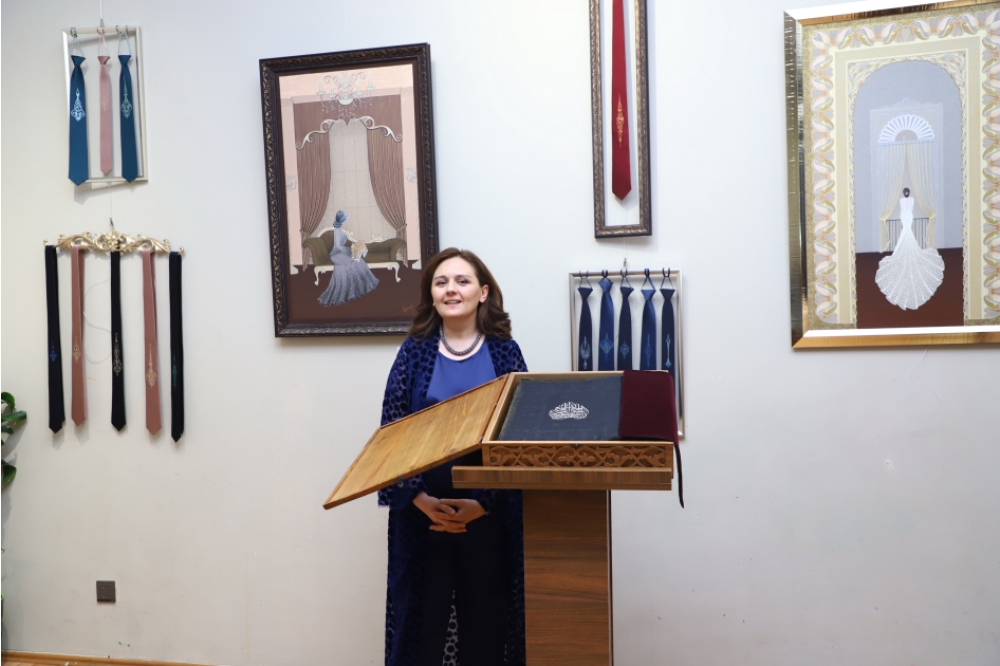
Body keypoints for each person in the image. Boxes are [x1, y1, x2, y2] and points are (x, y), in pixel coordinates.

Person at [378, 248, 527, 666]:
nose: (451, 290)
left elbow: (520, 433)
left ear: (483, 292)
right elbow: (391, 435)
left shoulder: (506, 352)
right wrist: (423, 501)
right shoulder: (413, 353)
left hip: (488, 519)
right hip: (422, 520)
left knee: (487, 630)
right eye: (441, 282)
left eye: (462, 281)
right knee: (422, 631)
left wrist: (482, 504)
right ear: (431, 294)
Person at [875, 187, 945, 310]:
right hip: (906, 218)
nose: (906, 193)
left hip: (908, 217)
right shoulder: (904, 200)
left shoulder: (910, 199)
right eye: (906, 192)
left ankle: (900, 253)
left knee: (907, 236)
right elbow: (903, 212)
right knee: (905, 236)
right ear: (904, 193)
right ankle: (899, 253)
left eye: (907, 192)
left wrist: (906, 219)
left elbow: (906, 211)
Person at [317, 210, 379, 306]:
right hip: (337, 255)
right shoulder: (338, 230)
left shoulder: (339, 228)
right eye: (345, 218)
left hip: (340, 252)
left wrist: (352, 248)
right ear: (342, 219)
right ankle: (356, 288)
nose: (346, 220)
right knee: (356, 261)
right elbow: (338, 246)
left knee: (357, 260)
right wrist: (350, 251)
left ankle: (359, 286)